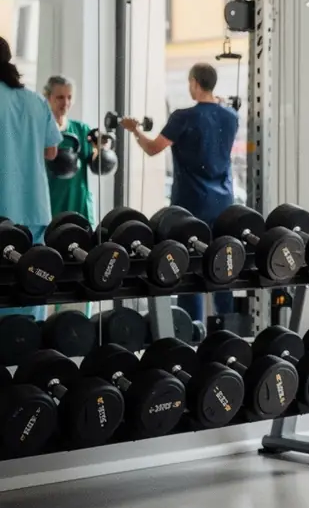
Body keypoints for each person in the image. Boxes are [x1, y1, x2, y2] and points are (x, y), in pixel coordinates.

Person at [120, 62, 239, 324]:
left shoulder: (183, 117)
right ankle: (227, 330)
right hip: (223, 204)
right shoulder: (231, 116)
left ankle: (192, 330)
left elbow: (153, 148)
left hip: (190, 204)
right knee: (223, 264)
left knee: (189, 267)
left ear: (195, 83)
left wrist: (135, 130)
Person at [0, 37, 62, 322]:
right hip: (34, 208)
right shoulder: (36, 100)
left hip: (3, 207)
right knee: (33, 279)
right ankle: (28, 341)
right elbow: (51, 152)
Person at [43, 75, 105, 228]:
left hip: (78, 203)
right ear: (48, 97)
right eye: (60, 97)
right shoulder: (40, 130)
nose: (65, 103)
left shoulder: (81, 129)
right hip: (51, 203)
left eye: (69, 97)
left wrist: (100, 148)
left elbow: (96, 164)